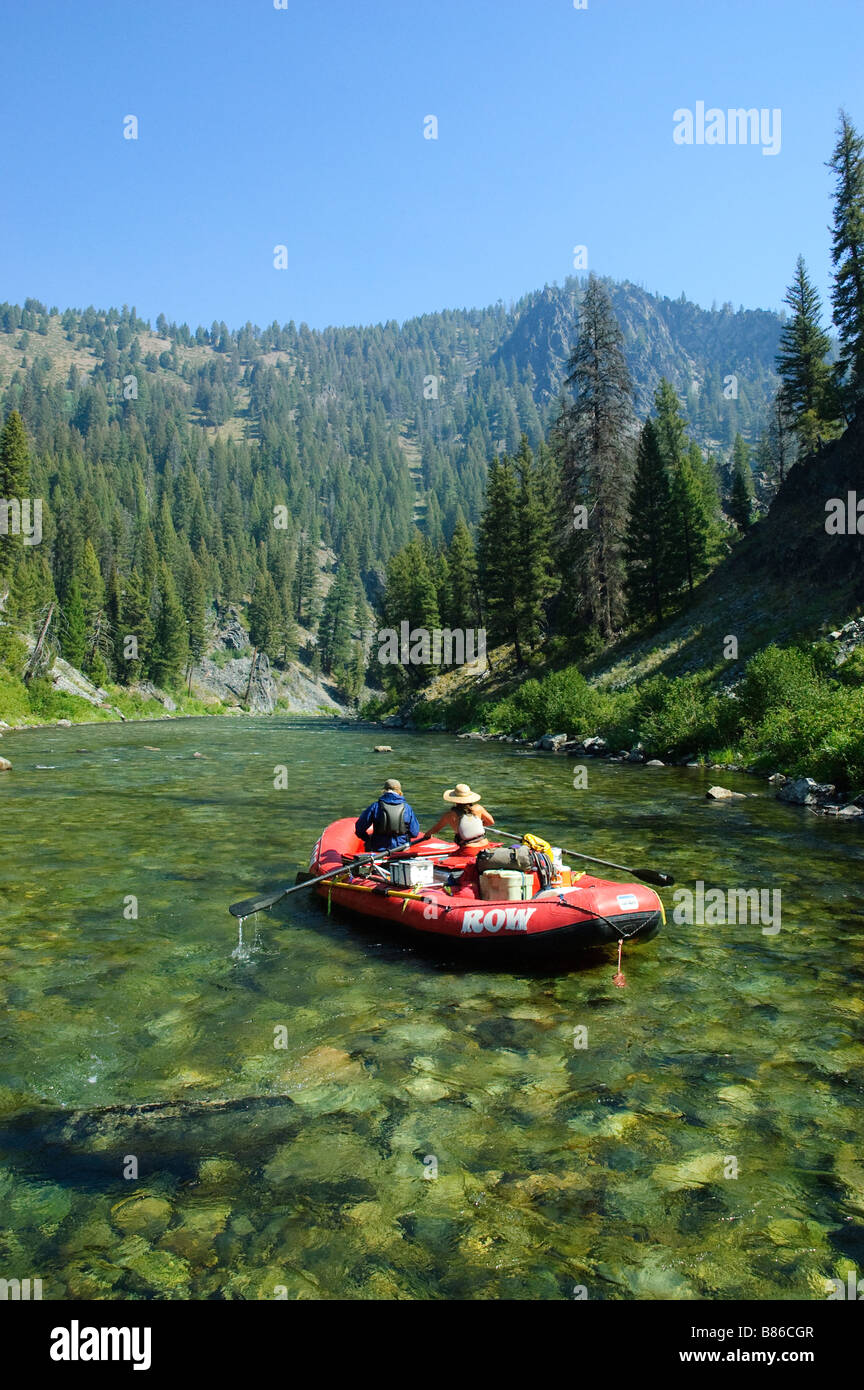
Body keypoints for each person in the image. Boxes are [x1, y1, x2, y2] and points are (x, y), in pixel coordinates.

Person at [355, 778, 420, 851]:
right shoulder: (407, 808)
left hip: (378, 848)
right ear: (399, 792)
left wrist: (367, 838)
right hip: (401, 849)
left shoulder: (375, 806)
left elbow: (359, 829)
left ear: (384, 790)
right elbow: (414, 833)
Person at [427, 782, 495, 852]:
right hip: (485, 846)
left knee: (448, 858)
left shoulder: (450, 815)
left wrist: (427, 835)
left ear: (455, 800)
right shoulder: (478, 808)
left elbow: (436, 829)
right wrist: (475, 825)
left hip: (469, 849)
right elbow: (491, 822)